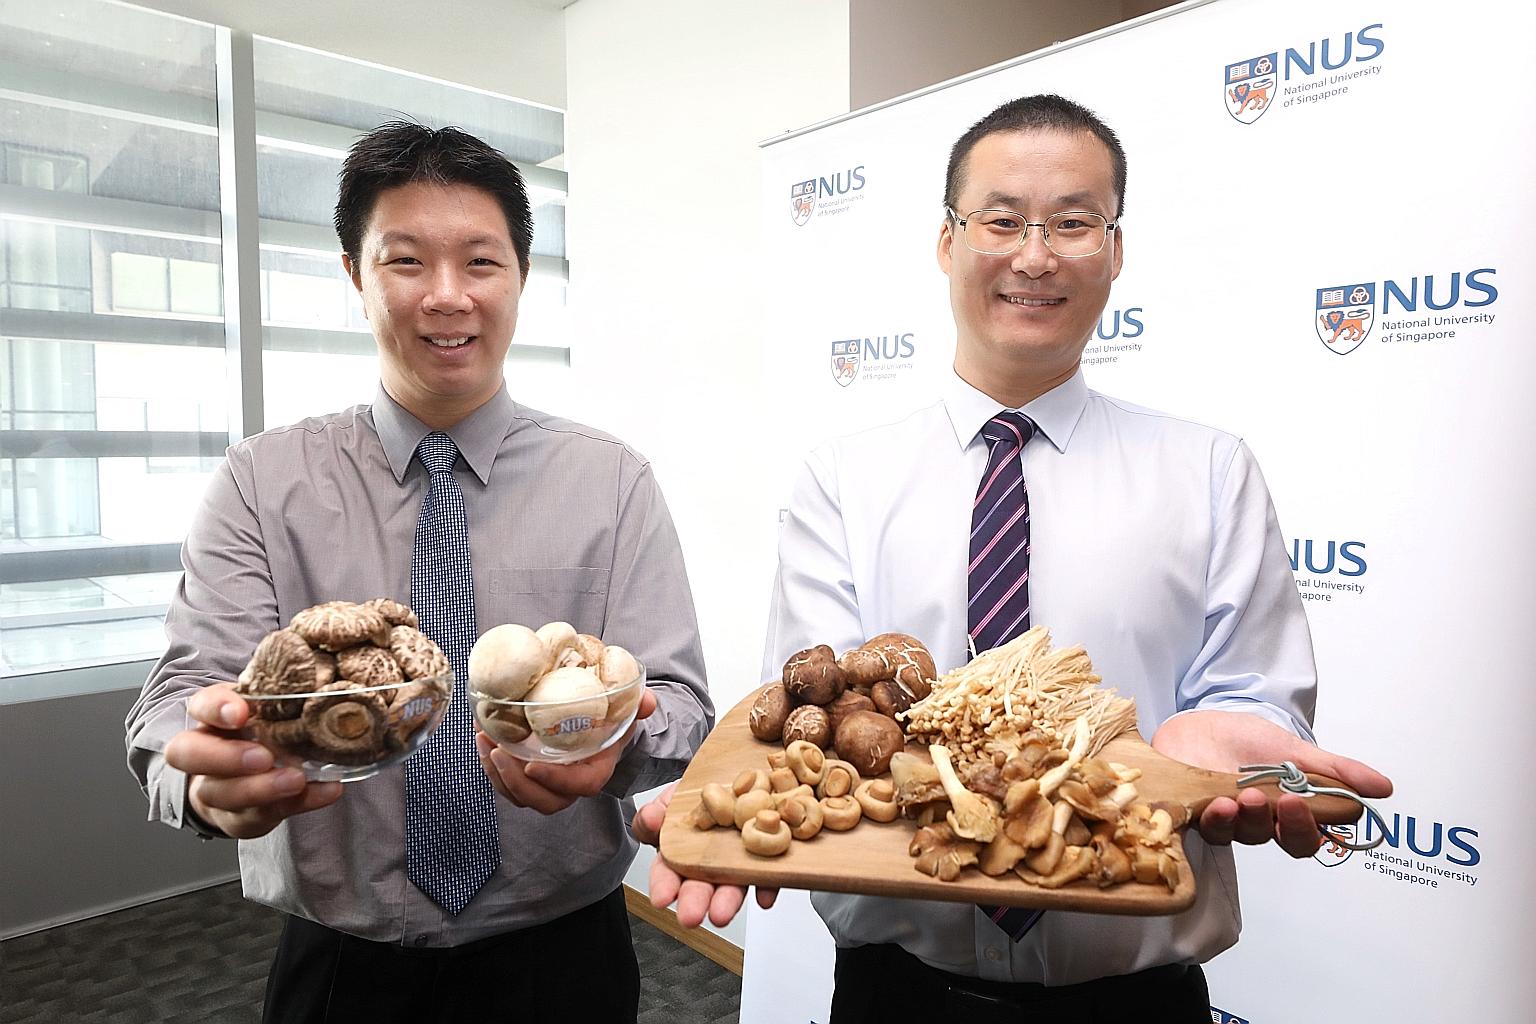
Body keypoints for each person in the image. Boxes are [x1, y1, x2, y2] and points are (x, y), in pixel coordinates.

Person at [634, 94, 1391, 1020]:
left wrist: (1220, 741)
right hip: (896, 994)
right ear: (947, 242)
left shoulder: (1209, 471)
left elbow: (1253, 694)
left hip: (1133, 996)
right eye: (1001, 220)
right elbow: (813, 706)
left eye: (1074, 223)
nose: (1036, 254)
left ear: (1115, 251)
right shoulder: (845, 476)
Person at [125, 122, 713, 1023]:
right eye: (406, 262)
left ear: (521, 278)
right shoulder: (262, 481)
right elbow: (180, 697)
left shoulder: (613, 483)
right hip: (342, 966)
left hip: (563, 960)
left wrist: (613, 741)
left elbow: (678, 704)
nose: (447, 297)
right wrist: (204, 781)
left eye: (481, 262)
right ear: (356, 278)